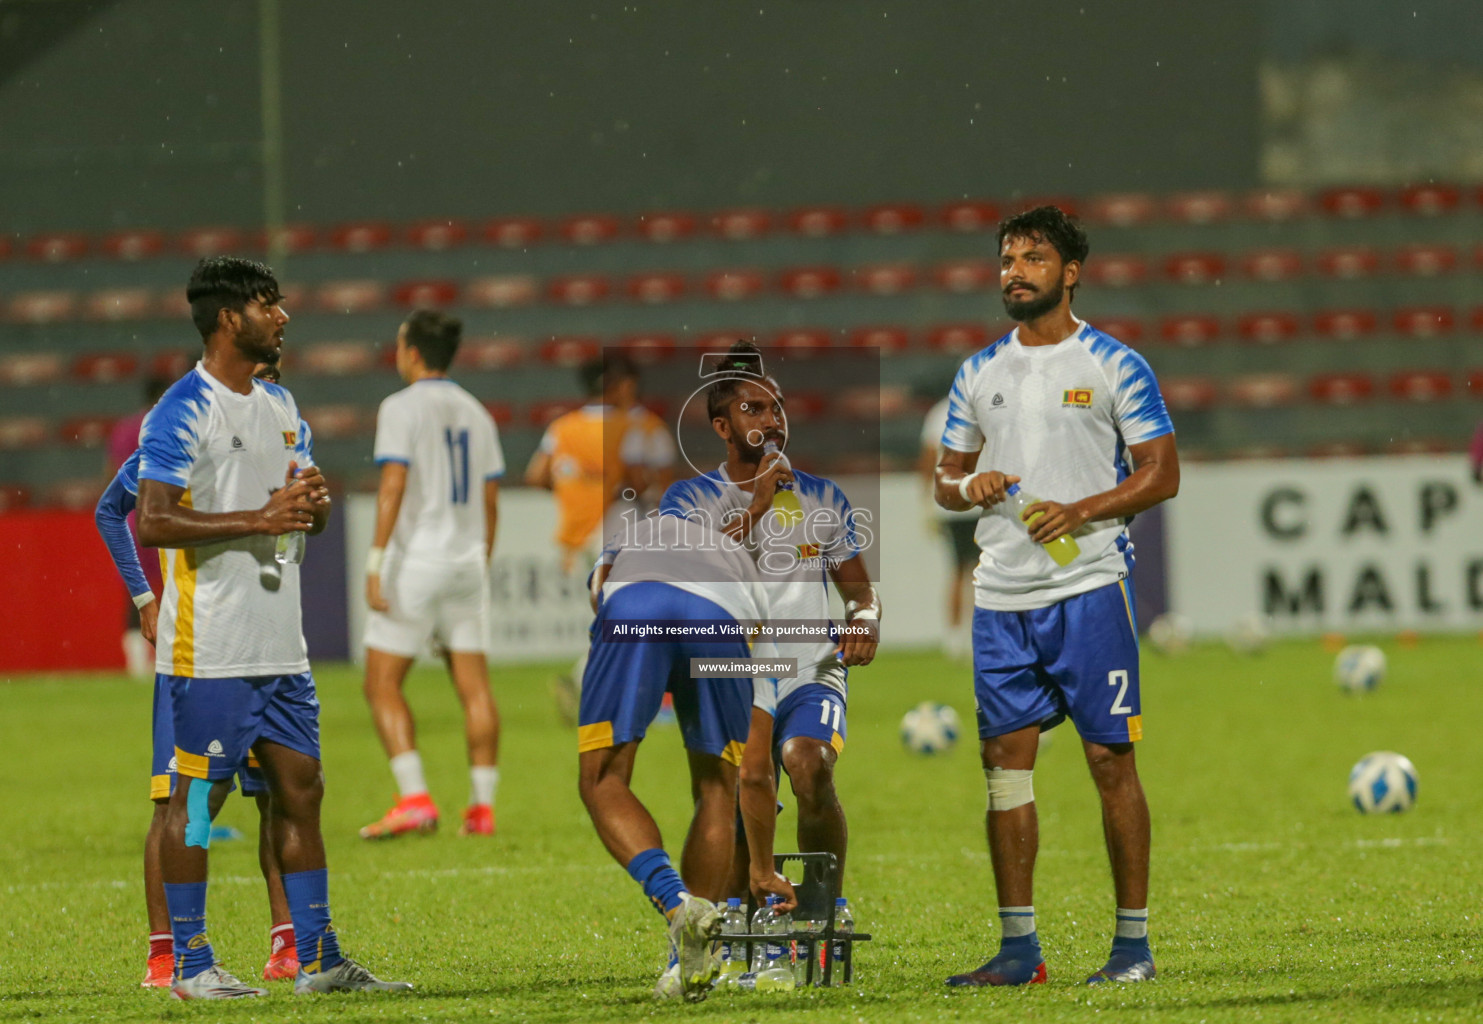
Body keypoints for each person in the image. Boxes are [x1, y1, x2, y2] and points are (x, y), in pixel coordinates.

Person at [135, 256, 409, 999]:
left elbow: (303, 512)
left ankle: (317, 959)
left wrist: (310, 505)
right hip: (212, 649)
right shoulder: (181, 409)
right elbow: (152, 518)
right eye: (268, 304)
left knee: (302, 791)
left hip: (280, 649)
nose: (282, 316)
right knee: (195, 804)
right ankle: (189, 965)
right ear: (229, 318)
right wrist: (255, 518)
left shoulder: (283, 408)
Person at [933, 206, 1179, 988]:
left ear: (1069, 272)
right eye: (1007, 257)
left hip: (1087, 588)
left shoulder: (1112, 364)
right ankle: (1018, 951)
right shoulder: (977, 372)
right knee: (1003, 769)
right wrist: (966, 484)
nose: (1015, 269)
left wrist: (1082, 510)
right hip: (1001, 596)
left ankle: (1131, 947)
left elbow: (1160, 473)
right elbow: (944, 480)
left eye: (1033, 257)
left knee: (1109, 762)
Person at [96, 362, 298, 988]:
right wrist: (143, 597)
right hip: (198, 649)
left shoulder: (281, 422)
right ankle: (168, 956)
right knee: (179, 804)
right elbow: (113, 512)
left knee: (281, 799)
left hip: (267, 646)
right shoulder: (182, 425)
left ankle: (288, 946)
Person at [660, 341, 880, 900]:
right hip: (730, 673)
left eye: (776, 407)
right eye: (752, 410)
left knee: (808, 765)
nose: (771, 420)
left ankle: (821, 906)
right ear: (722, 427)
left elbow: (859, 592)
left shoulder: (822, 496)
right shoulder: (687, 501)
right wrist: (756, 506)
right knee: (736, 794)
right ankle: (739, 918)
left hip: (810, 666)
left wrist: (865, 620)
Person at [580, 512, 795, 1002]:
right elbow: (755, 773)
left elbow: (600, 594)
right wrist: (761, 867)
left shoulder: (634, 530)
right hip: (722, 626)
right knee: (718, 788)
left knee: (602, 779)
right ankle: (687, 964)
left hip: (635, 611)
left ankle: (678, 905)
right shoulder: (749, 577)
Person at [360, 310, 505, 840]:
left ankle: (416, 797)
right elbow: (491, 502)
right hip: (467, 561)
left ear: (412, 351)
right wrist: (478, 565)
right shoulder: (477, 412)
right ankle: (482, 809)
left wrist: (375, 563)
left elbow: (393, 486)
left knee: (381, 684)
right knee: (474, 688)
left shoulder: (400, 407)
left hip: (419, 560)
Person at [524, 352, 674, 574]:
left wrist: (576, 485)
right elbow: (646, 484)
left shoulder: (562, 427)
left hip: (574, 534)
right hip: (619, 525)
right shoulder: (637, 426)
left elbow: (536, 477)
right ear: (619, 386)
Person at [107, 373, 174, 678]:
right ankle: (178, 660)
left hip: (133, 521)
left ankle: (137, 666)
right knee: (178, 587)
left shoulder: (125, 429)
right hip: (169, 518)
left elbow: (111, 475)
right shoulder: (172, 424)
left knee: (136, 593)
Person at [919, 387, 980, 659]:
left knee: (957, 569)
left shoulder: (939, 410)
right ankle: (974, 633)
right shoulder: (983, 404)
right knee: (980, 570)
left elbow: (929, 457)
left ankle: (955, 636)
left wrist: (926, 502)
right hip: (978, 500)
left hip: (951, 501)